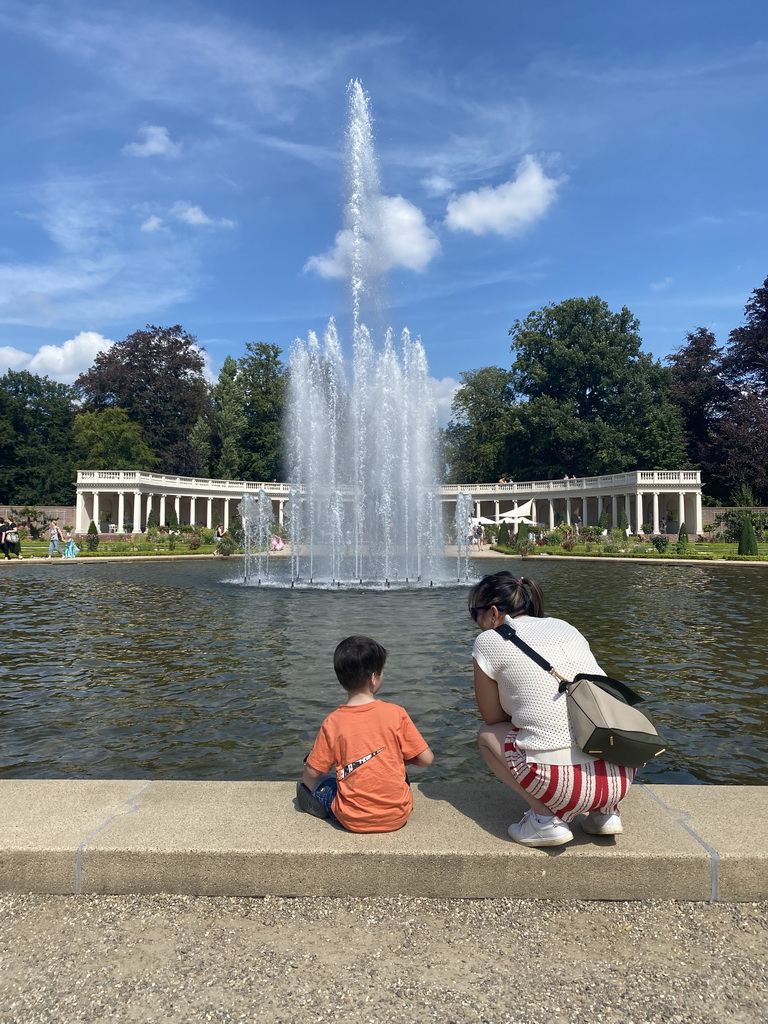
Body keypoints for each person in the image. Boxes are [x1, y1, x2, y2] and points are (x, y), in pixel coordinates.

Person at [468, 571, 634, 848]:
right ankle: (605, 814)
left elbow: (493, 718)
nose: (477, 624)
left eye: (476, 615)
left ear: (494, 612)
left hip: (561, 785)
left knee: (487, 735)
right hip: (619, 777)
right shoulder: (565, 626)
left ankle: (545, 820)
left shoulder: (489, 640)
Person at [297, 635, 434, 833]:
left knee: (323, 781)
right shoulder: (396, 713)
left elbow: (311, 773)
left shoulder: (333, 721)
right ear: (373, 678)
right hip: (397, 816)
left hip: (351, 819)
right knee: (396, 774)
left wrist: (312, 778)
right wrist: (397, 758)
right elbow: (426, 759)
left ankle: (321, 803)